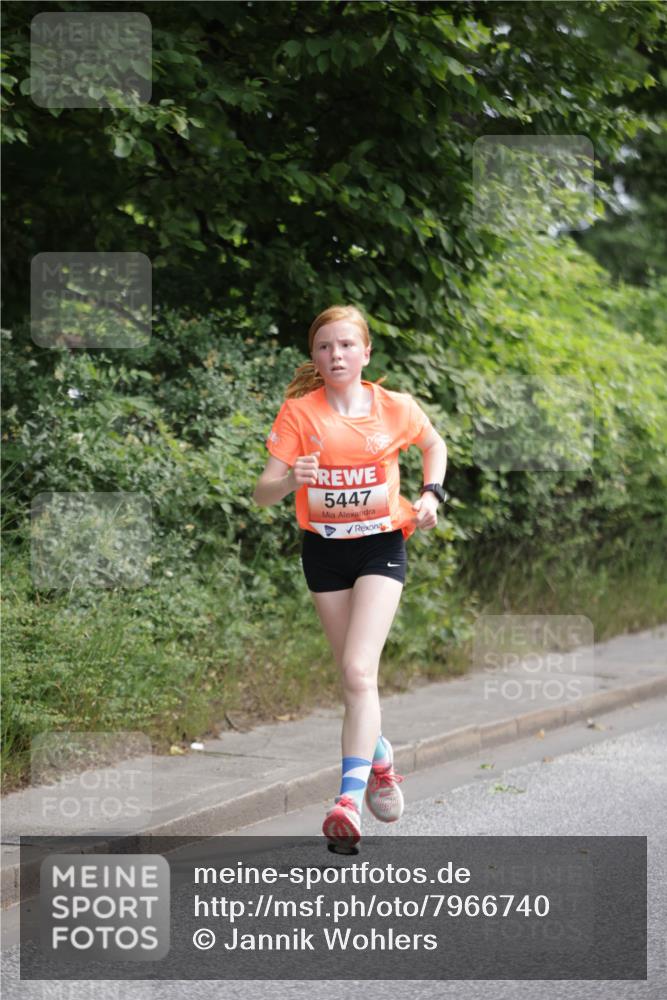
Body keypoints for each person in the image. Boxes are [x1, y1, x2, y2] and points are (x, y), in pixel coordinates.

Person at [252, 304, 448, 851]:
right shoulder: (299, 413)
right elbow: (261, 493)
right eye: (323, 347)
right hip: (325, 554)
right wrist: (292, 479)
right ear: (314, 356)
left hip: (382, 548)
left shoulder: (395, 408)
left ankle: (347, 801)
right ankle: (381, 761)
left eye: (345, 346)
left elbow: (434, 445)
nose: (334, 355)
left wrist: (431, 493)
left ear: (365, 353)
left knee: (361, 670)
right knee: (352, 678)